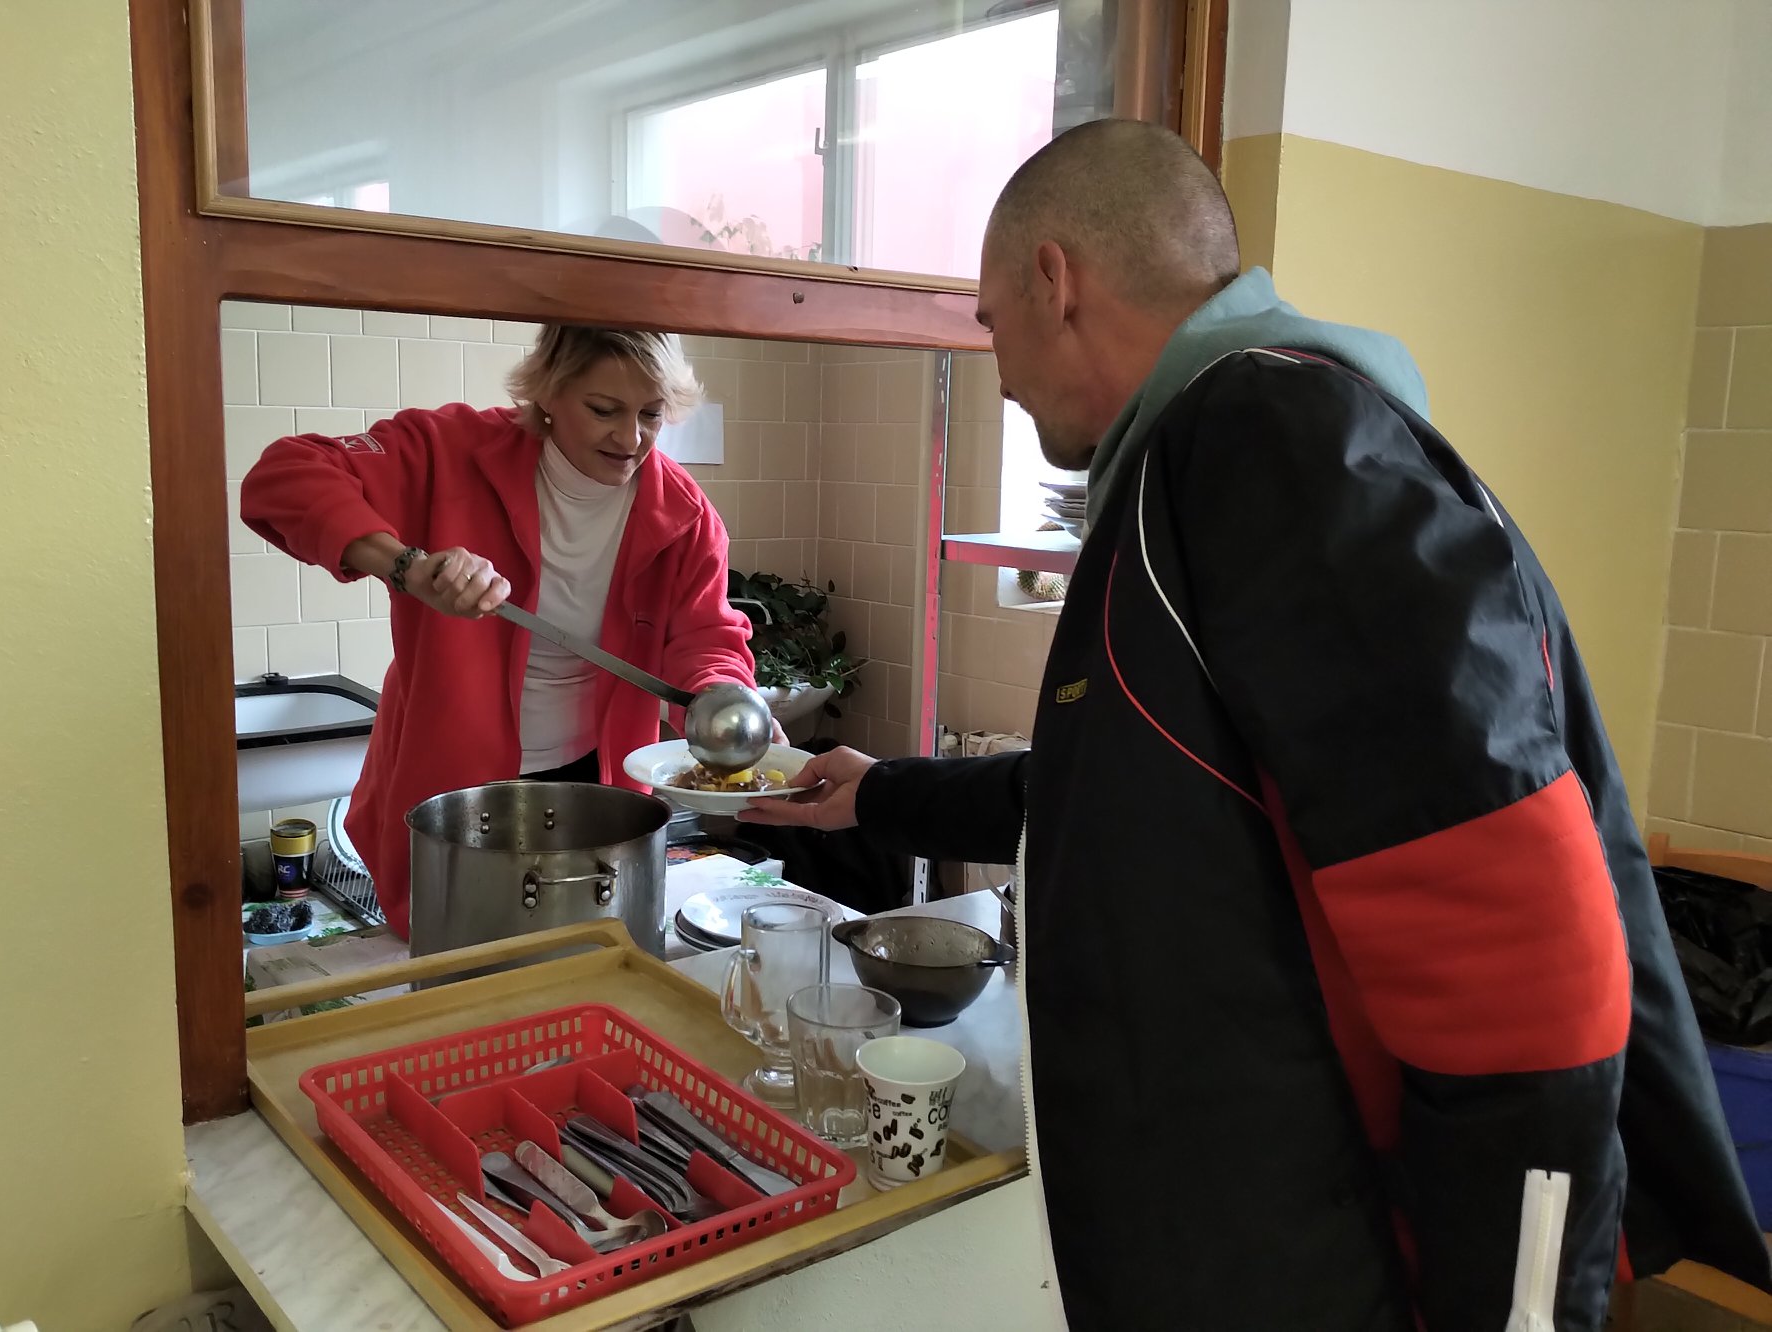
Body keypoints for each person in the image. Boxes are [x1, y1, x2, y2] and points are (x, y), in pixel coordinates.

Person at [743, 119, 1770, 1330]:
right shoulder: (1183, 472)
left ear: (1054, 280)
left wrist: (1519, 1312)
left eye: (987, 321)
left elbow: (1511, 930)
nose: (1000, 367)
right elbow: (1115, 788)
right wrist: (879, 792)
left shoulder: (1276, 441)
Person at [242, 325, 765, 939]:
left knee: (581, 956)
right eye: (604, 410)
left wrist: (722, 691)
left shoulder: (684, 515)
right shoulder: (447, 451)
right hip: (452, 783)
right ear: (547, 394)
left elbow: (707, 637)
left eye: (651, 415)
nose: (630, 439)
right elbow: (284, 475)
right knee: (457, 963)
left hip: (596, 785)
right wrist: (405, 566)